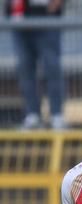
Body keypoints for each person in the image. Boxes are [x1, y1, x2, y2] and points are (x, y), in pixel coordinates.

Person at [5, 0, 67, 129]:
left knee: (52, 67)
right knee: (25, 69)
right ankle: (32, 115)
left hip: (47, 20)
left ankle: (57, 115)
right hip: (19, 20)